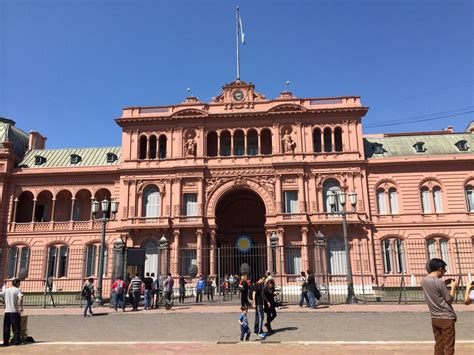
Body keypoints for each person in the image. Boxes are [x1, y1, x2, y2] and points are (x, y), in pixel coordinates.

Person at [421, 258, 458, 355]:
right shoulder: (439, 282)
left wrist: (445, 283)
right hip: (446, 317)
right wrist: (453, 287)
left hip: (435, 317)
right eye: (444, 270)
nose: (445, 272)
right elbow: (449, 299)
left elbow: (435, 290)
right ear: (440, 269)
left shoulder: (424, 280)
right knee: (449, 346)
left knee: (439, 344)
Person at [1, 278, 23, 346]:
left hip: (7, 312)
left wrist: (3, 302)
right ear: (16, 283)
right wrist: (20, 307)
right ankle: (17, 341)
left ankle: (6, 342)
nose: (20, 284)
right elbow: (20, 298)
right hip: (14, 311)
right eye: (19, 283)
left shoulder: (6, 290)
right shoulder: (17, 290)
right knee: (16, 327)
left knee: (6, 327)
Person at [252, 274, 267, 339]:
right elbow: (253, 294)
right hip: (258, 303)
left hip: (261, 303)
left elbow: (262, 294)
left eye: (264, 280)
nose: (264, 281)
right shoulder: (256, 284)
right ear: (260, 278)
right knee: (261, 317)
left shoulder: (261, 285)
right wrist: (254, 303)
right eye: (263, 279)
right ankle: (260, 332)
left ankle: (256, 330)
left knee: (258, 317)